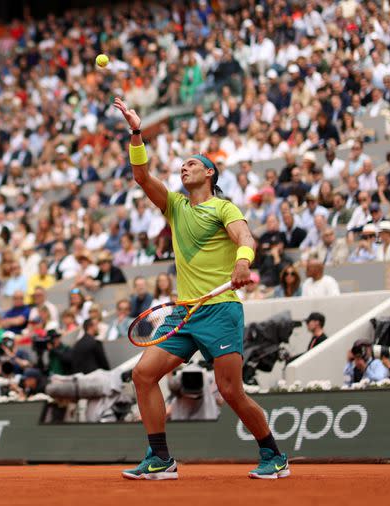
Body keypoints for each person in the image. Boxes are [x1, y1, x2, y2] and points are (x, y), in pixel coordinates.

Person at [114, 98, 287, 480]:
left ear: (209, 172)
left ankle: (273, 455)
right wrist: (136, 132)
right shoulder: (174, 206)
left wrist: (243, 261)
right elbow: (142, 177)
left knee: (230, 391)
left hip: (220, 308)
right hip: (184, 312)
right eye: (182, 165)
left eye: (191, 163)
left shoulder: (223, 208)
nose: (183, 167)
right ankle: (160, 458)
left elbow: (245, 235)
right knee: (143, 376)